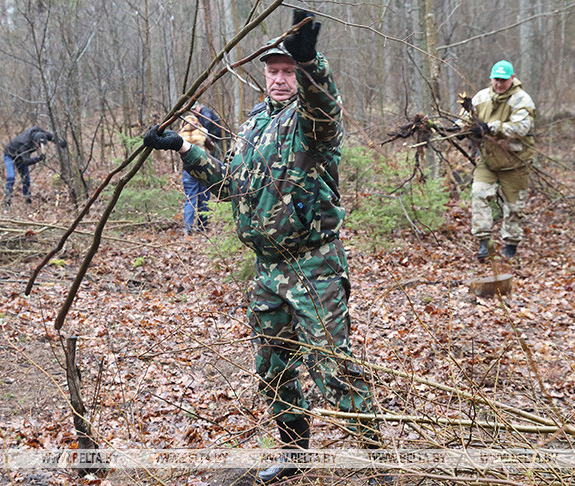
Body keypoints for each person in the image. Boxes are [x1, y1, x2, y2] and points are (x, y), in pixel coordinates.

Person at [143, 9, 384, 485]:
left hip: (313, 267)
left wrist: (311, 61)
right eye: (273, 70)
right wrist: (184, 149)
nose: (279, 78)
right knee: (273, 368)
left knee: (335, 370)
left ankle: (381, 462)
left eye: (287, 71)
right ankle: (294, 455)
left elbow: (325, 108)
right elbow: (229, 185)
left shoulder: (312, 122)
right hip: (268, 272)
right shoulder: (254, 123)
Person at [460, 60, 536, 261]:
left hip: (515, 162)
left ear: (512, 78)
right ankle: (484, 241)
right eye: (496, 80)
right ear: (491, 78)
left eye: (503, 80)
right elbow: (465, 118)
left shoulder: (522, 100)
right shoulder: (481, 97)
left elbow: (520, 128)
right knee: (479, 194)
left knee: (514, 207)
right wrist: (460, 128)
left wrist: (490, 128)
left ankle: (510, 245)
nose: (499, 84)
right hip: (488, 159)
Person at [179, 103, 224, 234]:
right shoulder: (202, 132)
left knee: (190, 198)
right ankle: (202, 227)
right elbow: (212, 147)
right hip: (203, 169)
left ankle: (187, 228)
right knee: (204, 197)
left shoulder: (180, 135)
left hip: (188, 170)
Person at [3, 126, 67, 209]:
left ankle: (27, 200)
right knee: (11, 177)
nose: (41, 147)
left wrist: (60, 142)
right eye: (39, 145)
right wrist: (38, 158)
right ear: (34, 142)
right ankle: (7, 200)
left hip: (22, 156)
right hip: (10, 155)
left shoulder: (40, 133)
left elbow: (51, 137)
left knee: (26, 180)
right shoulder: (24, 143)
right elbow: (25, 162)